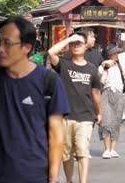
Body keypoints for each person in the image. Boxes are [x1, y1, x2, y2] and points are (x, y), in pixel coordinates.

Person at [0, 16, 70, 183]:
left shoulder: (48, 81)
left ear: (27, 47)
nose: (0, 49)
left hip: (36, 176)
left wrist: (53, 178)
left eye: (7, 43)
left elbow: (56, 134)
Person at [48, 32, 102, 183]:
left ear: (86, 46)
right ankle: (70, 180)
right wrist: (70, 38)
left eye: (79, 43)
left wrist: (100, 112)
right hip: (65, 115)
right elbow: (51, 52)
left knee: (83, 151)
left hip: (85, 116)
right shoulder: (64, 64)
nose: (76, 46)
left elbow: (96, 92)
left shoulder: (92, 68)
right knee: (66, 154)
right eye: (73, 44)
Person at [99, 45, 125, 158]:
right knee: (106, 121)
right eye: (115, 53)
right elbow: (100, 78)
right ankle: (106, 149)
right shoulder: (103, 66)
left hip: (118, 94)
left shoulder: (120, 66)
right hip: (106, 93)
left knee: (116, 121)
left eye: (117, 53)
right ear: (109, 55)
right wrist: (104, 66)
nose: (117, 55)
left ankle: (113, 149)